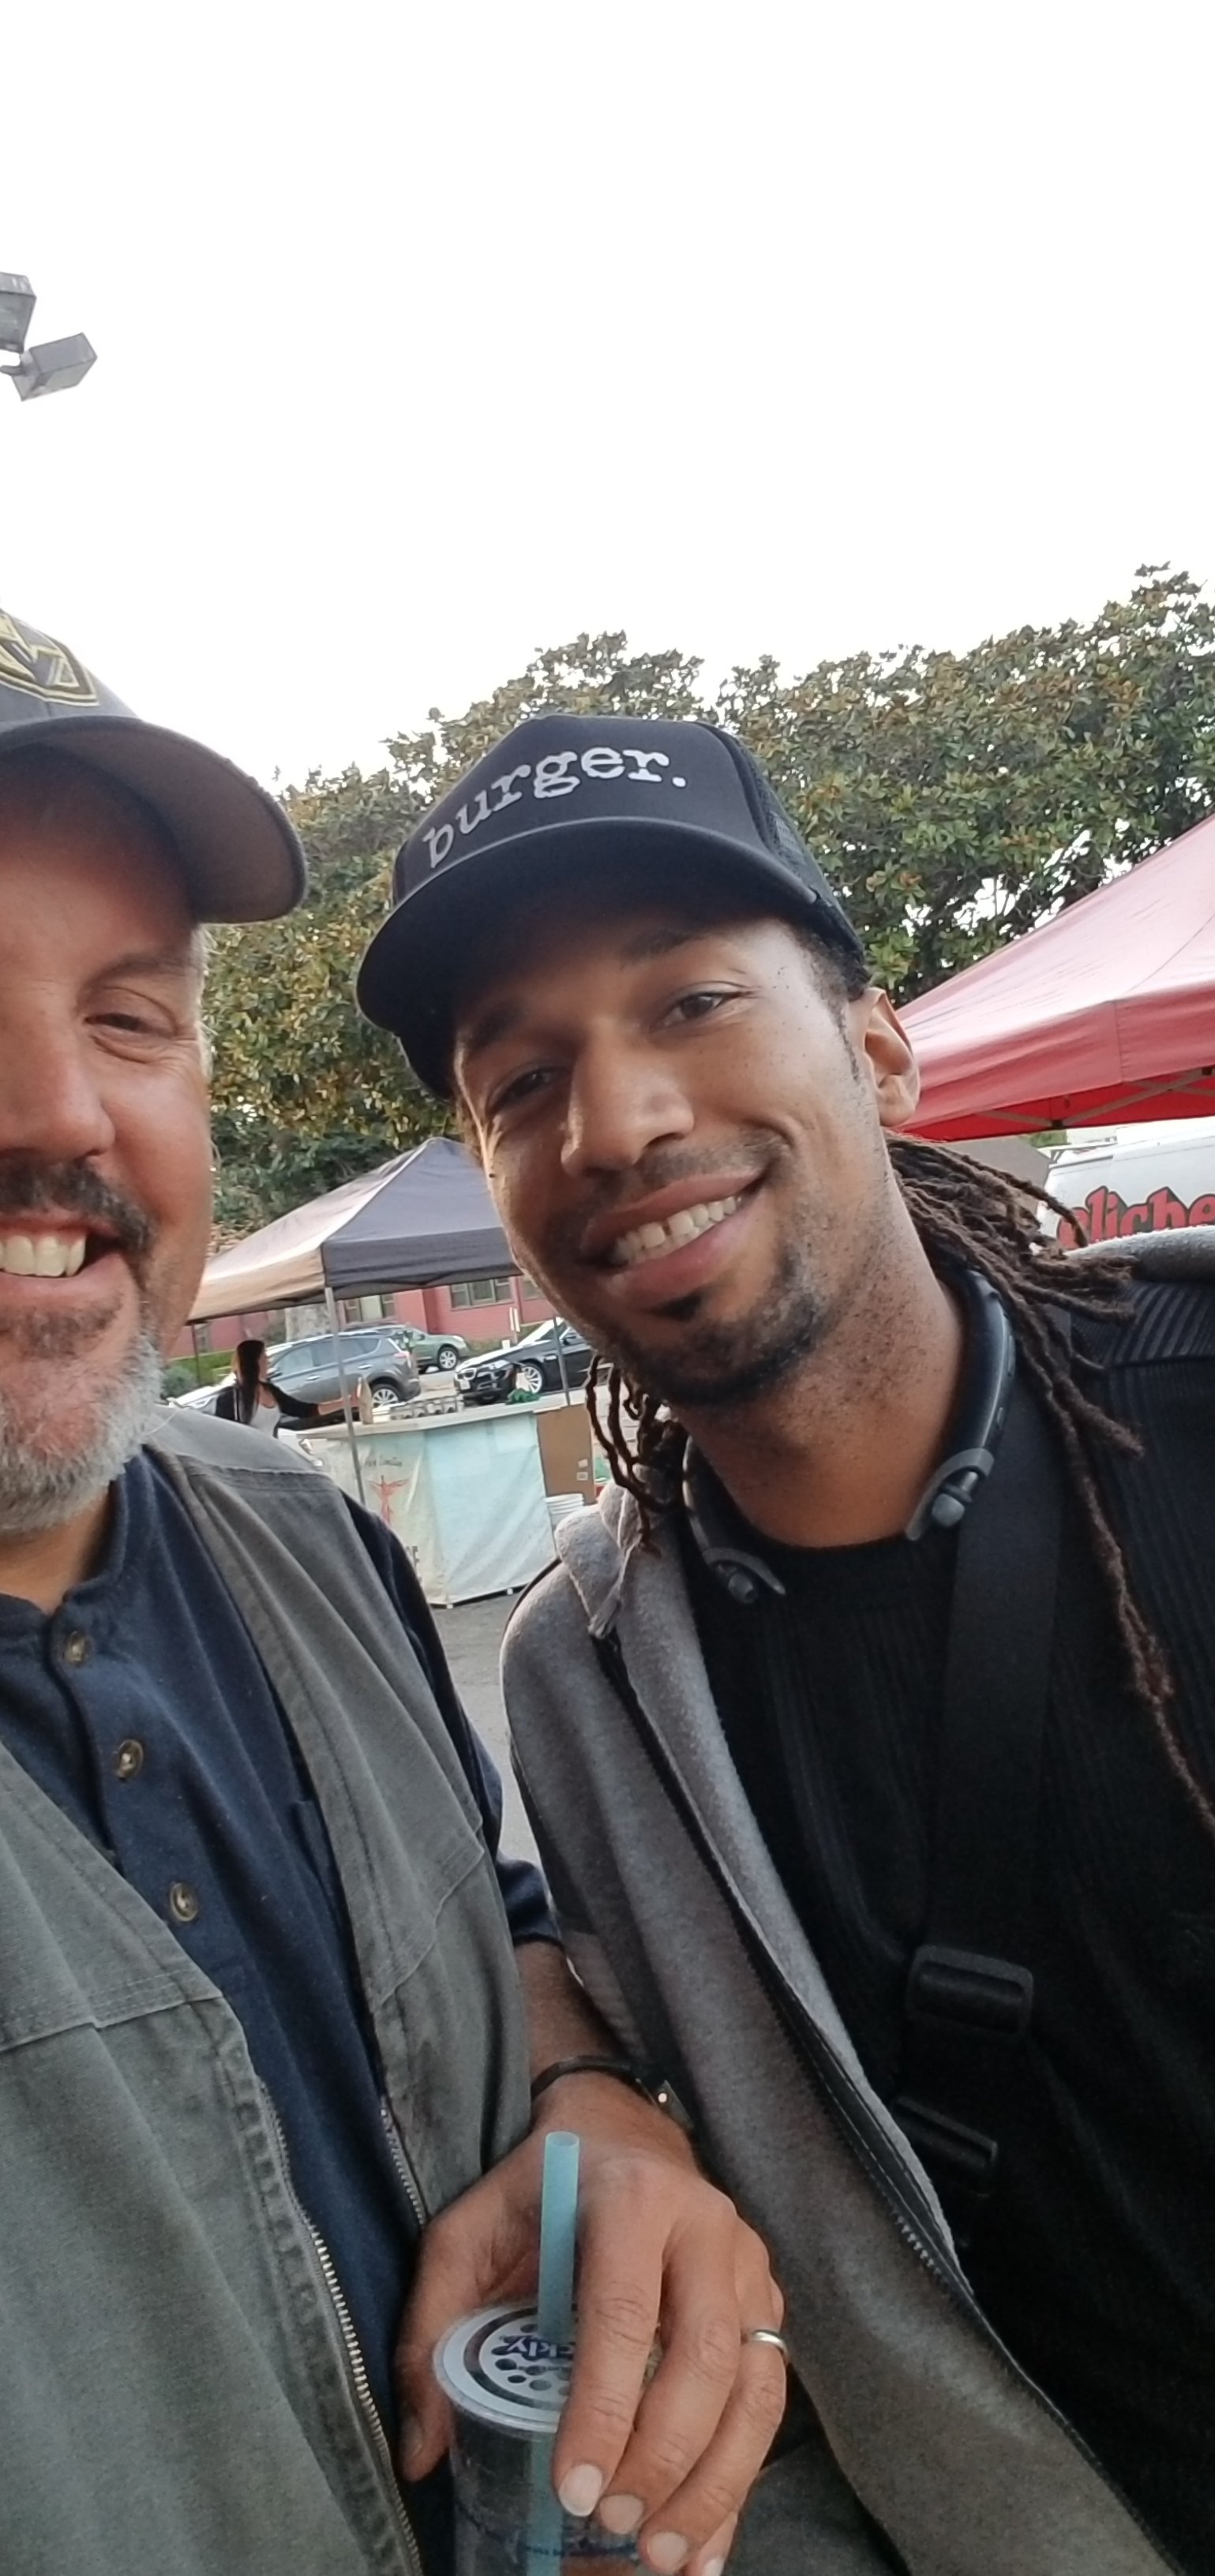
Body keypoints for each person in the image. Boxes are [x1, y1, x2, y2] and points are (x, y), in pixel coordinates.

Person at [358, 710, 1215, 2576]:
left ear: (877, 1047)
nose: (616, 1123)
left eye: (690, 1001)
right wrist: (577, 2077)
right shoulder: (589, 1686)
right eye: (522, 1079)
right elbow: (565, 1979)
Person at [0, 616, 798, 2576]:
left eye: (129, 1015)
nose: (61, 1114)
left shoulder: (309, 1541)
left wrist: (590, 2096)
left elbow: (493, 1922)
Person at [213, 1334, 336, 1430]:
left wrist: (343, 1402)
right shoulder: (230, 1399)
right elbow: (225, 1434)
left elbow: (304, 1410)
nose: (268, 1362)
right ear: (254, 1363)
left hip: (271, 1451)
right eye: (264, 1358)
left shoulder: (270, 1390)